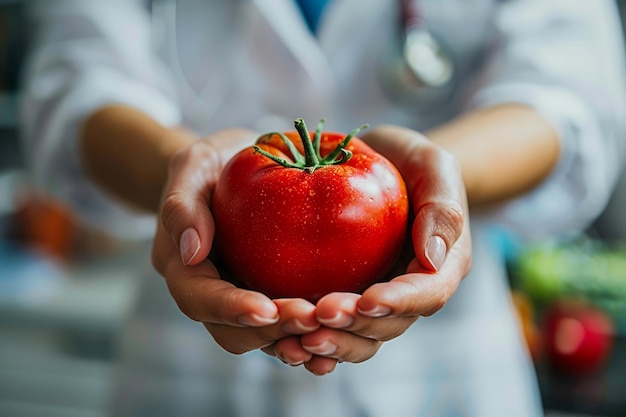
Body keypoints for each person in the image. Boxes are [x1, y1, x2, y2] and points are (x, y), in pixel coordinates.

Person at [19, 0, 626, 416]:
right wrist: (185, 174)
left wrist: (439, 177)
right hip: (186, 370)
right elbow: (75, 82)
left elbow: (568, 98)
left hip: (446, 374)